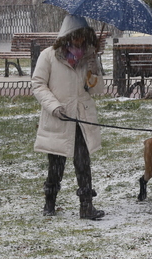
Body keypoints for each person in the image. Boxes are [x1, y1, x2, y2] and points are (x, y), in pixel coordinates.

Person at [31, 14, 106, 219]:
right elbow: (38, 84)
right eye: (75, 37)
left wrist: (94, 71)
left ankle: (86, 206)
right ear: (66, 37)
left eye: (83, 38)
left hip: (81, 119)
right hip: (58, 118)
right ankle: (49, 203)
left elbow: (96, 90)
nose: (79, 43)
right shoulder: (49, 56)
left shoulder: (87, 58)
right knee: (56, 164)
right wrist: (54, 107)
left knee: (83, 163)